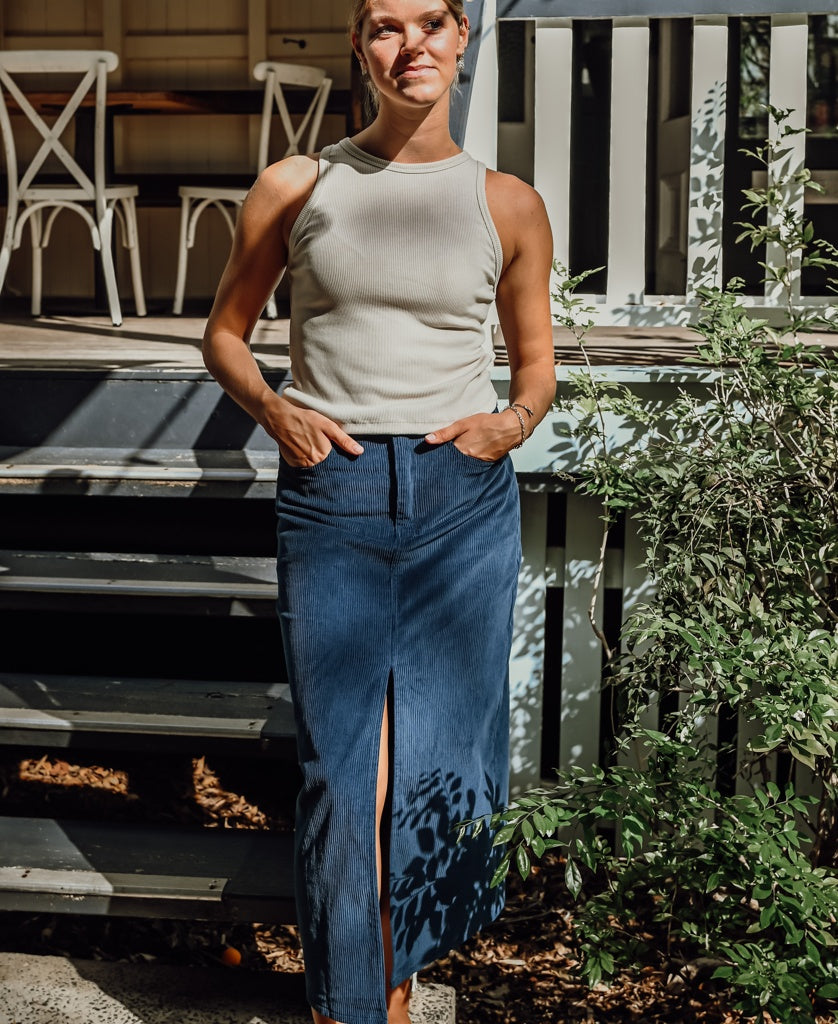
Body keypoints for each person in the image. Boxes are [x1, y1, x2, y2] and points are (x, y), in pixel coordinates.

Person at [201, 2, 555, 1022]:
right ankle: (350, 1002)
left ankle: (393, 984)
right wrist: (273, 408)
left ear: (461, 42)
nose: (412, 45)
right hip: (337, 491)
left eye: (433, 23)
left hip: (460, 495)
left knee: (442, 758)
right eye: (385, 26)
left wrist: (511, 422)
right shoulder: (298, 184)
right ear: (360, 49)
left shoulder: (507, 203)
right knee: (343, 767)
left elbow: (535, 364)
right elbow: (224, 334)